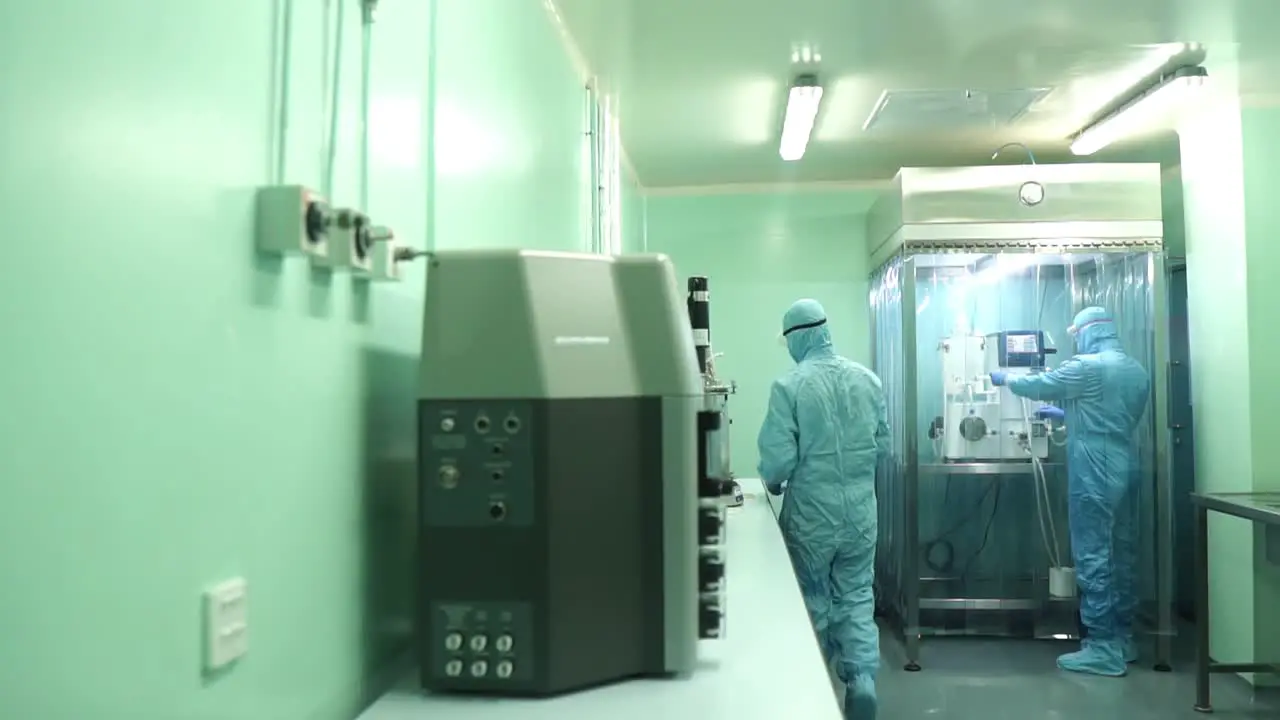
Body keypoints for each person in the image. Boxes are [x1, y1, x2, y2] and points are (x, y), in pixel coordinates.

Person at [990, 306, 1149, 677]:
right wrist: (1067, 415)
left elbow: (1040, 382)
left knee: (1093, 552)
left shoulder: (1087, 366)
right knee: (1121, 553)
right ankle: (1124, 638)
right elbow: (1113, 412)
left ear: (1086, 332)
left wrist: (1005, 378)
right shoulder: (1135, 370)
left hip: (1095, 464)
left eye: (1076, 334)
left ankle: (1102, 647)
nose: (1075, 340)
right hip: (1126, 460)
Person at [758, 299, 888, 719]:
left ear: (797, 337)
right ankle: (862, 680)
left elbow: (777, 462)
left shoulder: (790, 386)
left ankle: (810, 693)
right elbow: (882, 446)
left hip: (813, 514)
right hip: (861, 512)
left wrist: (773, 484)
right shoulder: (868, 380)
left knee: (810, 599)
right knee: (855, 594)